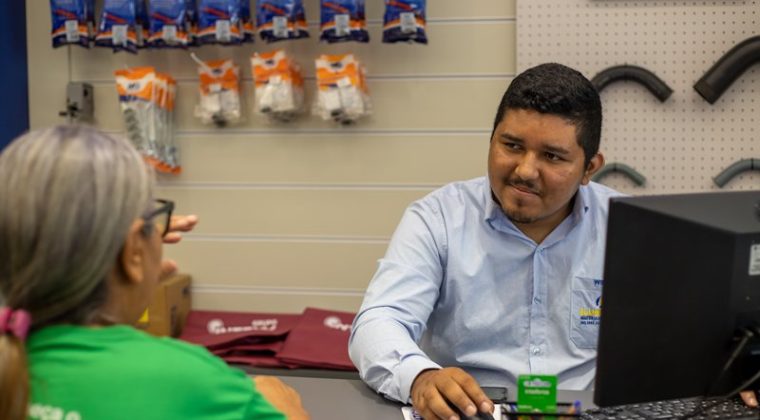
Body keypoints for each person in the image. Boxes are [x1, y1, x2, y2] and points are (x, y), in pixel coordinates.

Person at [349, 63, 619, 420]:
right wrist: (420, 377)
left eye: (552, 156)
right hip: (470, 411)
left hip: (587, 412)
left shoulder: (627, 227)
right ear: (491, 140)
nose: (525, 171)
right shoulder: (438, 218)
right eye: (512, 146)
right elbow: (380, 320)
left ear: (589, 168)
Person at [0, 125, 309, 420]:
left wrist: (124, 290)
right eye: (156, 220)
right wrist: (287, 410)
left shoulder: (12, 361)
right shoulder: (191, 380)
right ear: (133, 249)